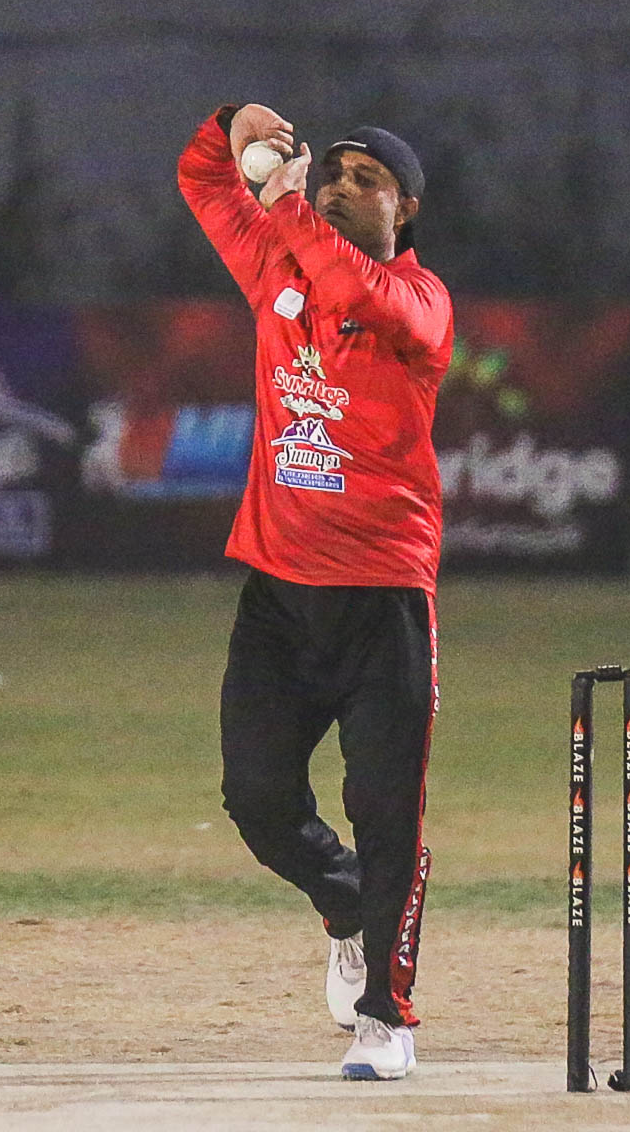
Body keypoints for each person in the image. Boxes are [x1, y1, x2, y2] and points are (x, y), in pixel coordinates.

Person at [178, 102, 453, 1080]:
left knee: (388, 815)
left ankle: (388, 1016)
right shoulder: (279, 265)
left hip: (384, 599)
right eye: (329, 172)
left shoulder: (421, 301)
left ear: (404, 209)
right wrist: (227, 123)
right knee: (255, 797)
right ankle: (343, 907)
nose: (338, 187)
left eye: (364, 180)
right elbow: (204, 181)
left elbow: (354, 288)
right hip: (279, 597)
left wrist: (289, 209)